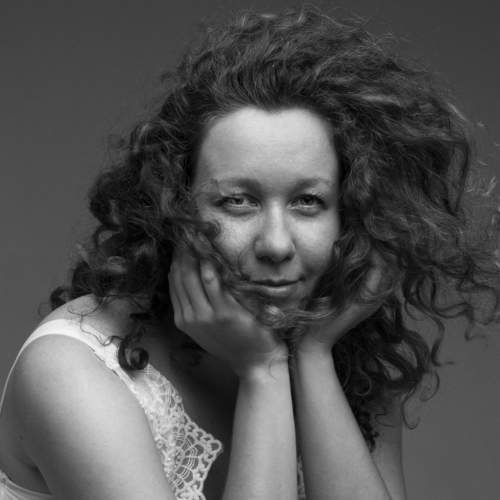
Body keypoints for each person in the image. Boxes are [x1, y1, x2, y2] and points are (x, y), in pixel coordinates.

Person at [0, 6, 498, 500]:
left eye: (308, 202)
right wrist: (263, 371)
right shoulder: (72, 373)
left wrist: (313, 355)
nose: (276, 244)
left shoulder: (355, 362)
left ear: (352, 214)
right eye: (238, 202)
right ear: (173, 207)